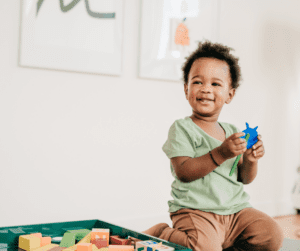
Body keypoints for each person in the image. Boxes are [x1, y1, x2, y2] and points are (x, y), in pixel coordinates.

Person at [142, 41, 284, 251]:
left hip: (236, 212)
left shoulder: (231, 131)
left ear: (230, 95)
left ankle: (223, 242)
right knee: (204, 247)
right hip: (196, 211)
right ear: (186, 89)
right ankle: (164, 233)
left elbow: (244, 178)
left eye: (216, 84)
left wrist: (251, 161)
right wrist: (221, 152)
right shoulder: (182, 128)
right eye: (198, 82)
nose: (206, 89)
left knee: (272, 235)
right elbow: (184, 172)